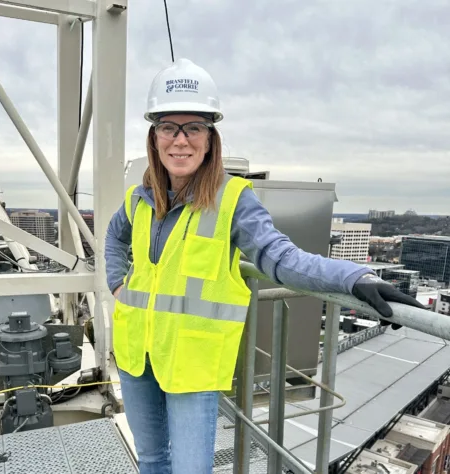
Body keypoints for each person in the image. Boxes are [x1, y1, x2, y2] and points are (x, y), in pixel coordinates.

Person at [105, 58, 425, 474]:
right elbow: (114, 237)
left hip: (192, 363)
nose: (180, 141)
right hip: (135, 352)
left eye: (194, 128)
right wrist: (116, 281)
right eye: (169, 127)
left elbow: (282, 259)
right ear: (154, 136)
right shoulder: (139, 198)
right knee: (150, 458)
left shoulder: (233, 199)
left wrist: (355, 277)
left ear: (210, 138)